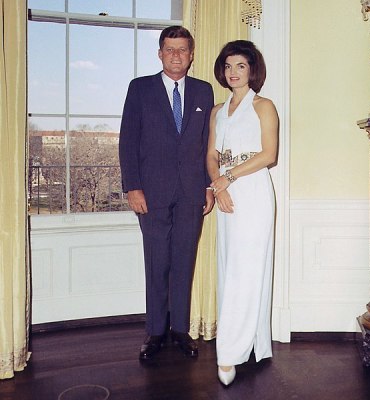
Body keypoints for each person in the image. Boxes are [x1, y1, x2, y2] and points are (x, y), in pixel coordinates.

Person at [119, 26, 214, 360]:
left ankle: (180, 331)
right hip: (152, 193)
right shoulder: (140, 89)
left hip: (191, 193)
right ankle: (156, 332)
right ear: (160, 54)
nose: (176, 55)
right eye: (169, 49)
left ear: (191, 54)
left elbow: (206, 146)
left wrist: (207, 186)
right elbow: (128, 141)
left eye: (182, 49)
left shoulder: (204, 92)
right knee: (157, 263)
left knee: (184, 263)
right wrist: (132, 186)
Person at [207, 40, 278, 385]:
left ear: (252, 71)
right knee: (230, 269)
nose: (233, 72)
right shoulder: (217, 111)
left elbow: (269, 154)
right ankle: (250, 342)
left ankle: (230, 354)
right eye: (228, 66)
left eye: (241, 66)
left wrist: (227, 178)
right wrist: (216, 185)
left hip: (252, 192)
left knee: (244, 272)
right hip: (225, 193)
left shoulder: (264, 106)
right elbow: (211, 154)